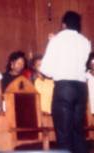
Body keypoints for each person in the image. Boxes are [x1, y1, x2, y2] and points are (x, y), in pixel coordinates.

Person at [40, 11, 91, 153]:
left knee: (63, 135)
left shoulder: (57, 40)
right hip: (81, 89)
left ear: (63, 25)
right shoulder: (85, 41)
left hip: (64, 89)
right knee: (78, 133)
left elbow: (45, 69)